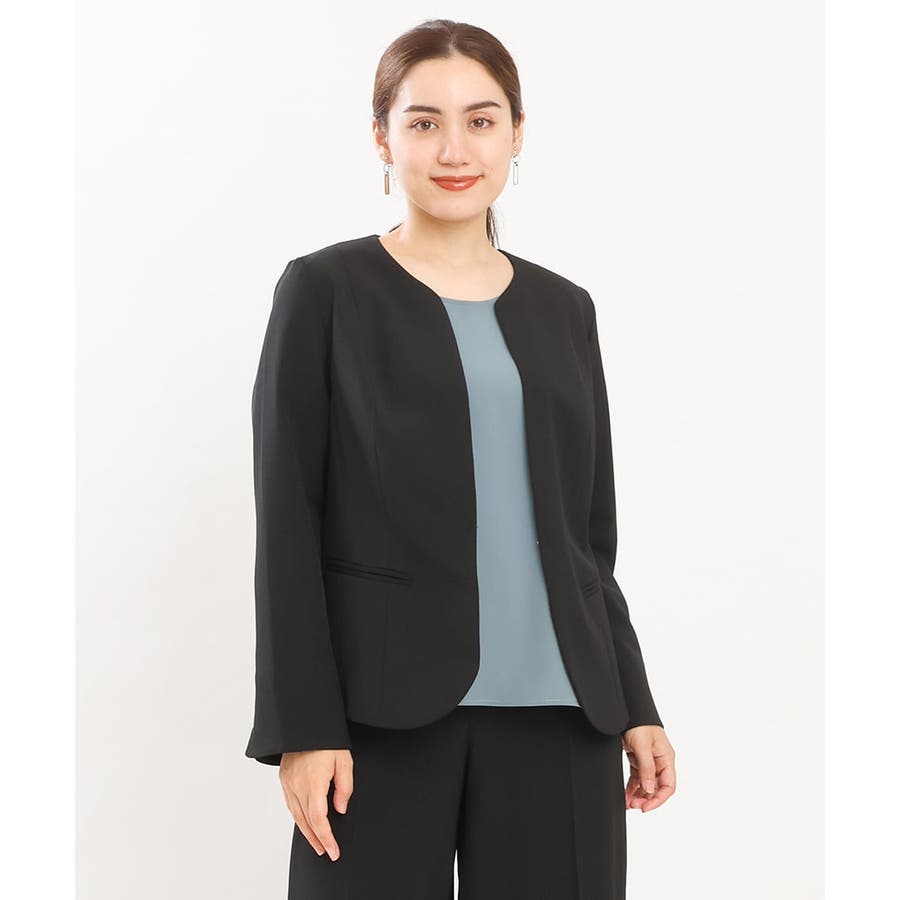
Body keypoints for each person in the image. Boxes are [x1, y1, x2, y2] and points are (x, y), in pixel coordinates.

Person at [245, 18, 677, 900]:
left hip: (565, 715)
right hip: (378, 717)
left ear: (516, 134)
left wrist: (634, 701)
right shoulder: (325, 291)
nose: (455, 149)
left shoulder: (564, 309)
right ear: (382, 138)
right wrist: (303, 727)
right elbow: (288, 520)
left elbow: (588, 542)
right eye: (423, 121)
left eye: (481, 120)